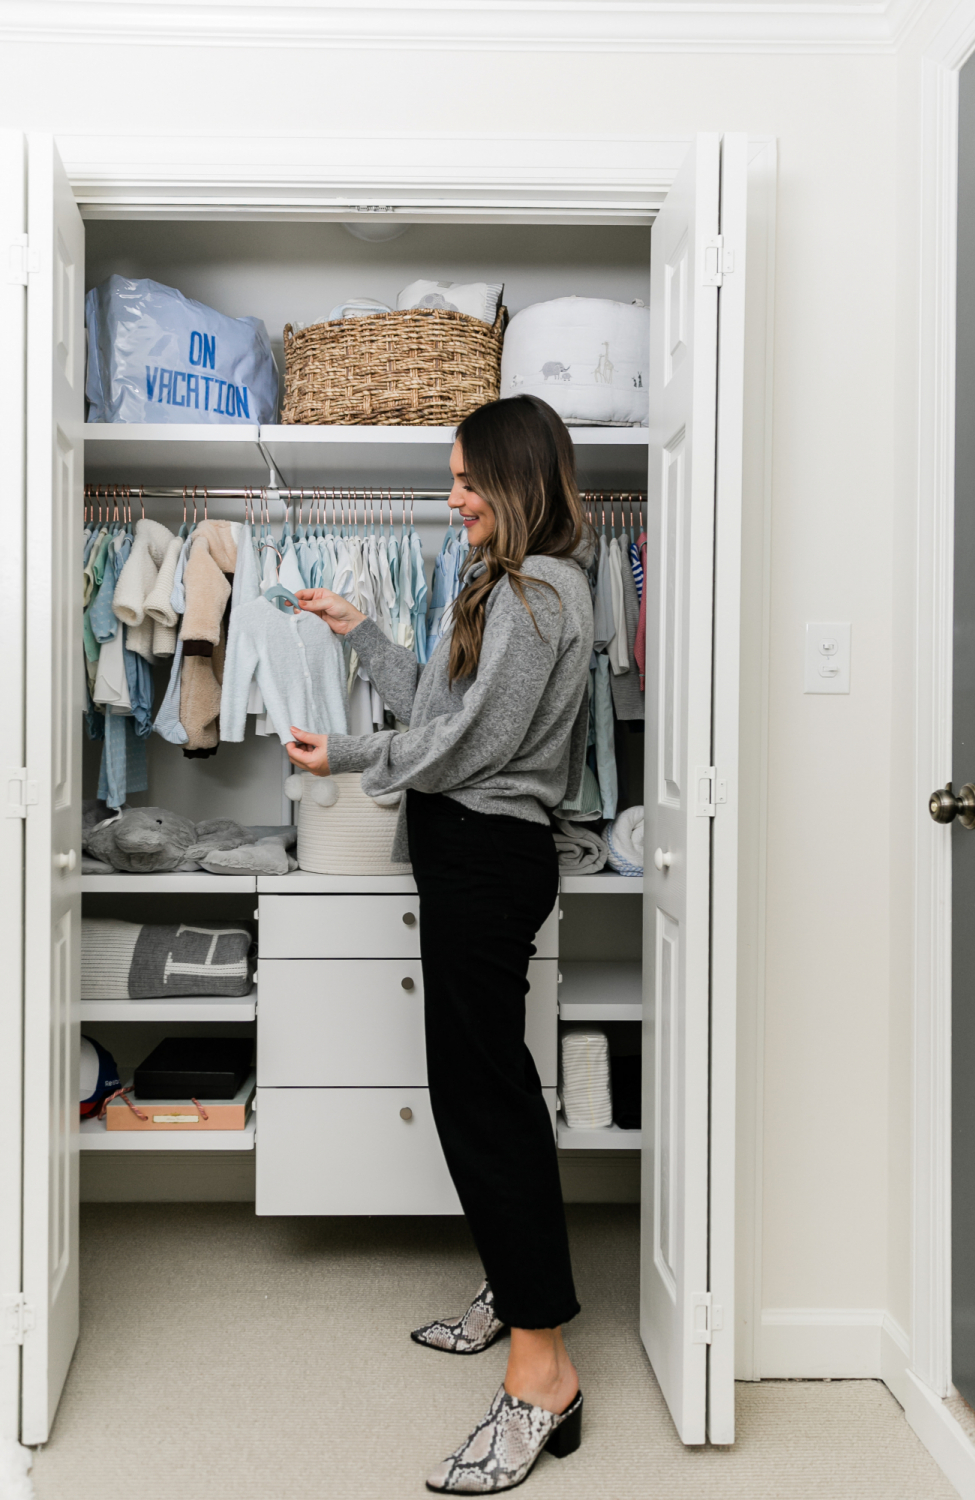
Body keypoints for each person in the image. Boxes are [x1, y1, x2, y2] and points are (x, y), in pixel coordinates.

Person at [287, 394, 593, 1494]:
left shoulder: (545, 591)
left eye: (467, 479)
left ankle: (542, 1371)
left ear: (514, 479)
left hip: (487, 857)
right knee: (472, 1085)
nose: (451, 495)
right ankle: (516, 1294)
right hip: (462, 852)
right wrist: (358, 633)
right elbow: (439, 707)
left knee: (485, 1095)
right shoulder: (496, 589)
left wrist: (350, 761)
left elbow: (462, 745)